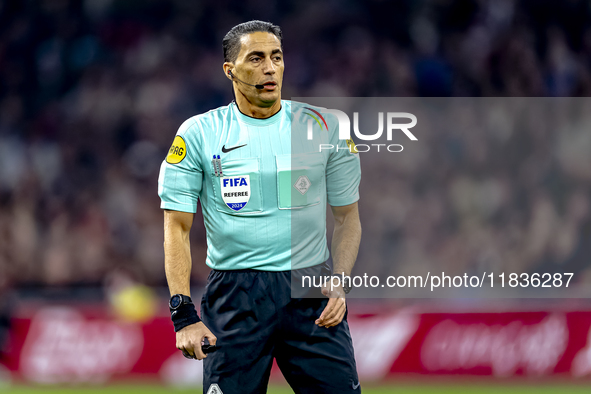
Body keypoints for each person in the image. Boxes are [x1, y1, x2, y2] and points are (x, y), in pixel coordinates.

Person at [158, 20, 362, 394]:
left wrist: (341, 279)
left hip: (310, 291)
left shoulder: (326, 127)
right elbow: (177, 227)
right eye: (256, 58)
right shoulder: (199, 133)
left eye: (277, 57)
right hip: (236, 295)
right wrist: (183, 313)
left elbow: (347, 217)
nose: (270, 68)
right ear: (230, 70)